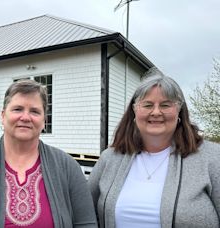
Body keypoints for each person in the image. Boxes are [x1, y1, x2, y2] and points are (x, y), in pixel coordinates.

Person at [0, 79, 97, 227]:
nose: (25, 117)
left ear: (44, 121)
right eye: (17, 109)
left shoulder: (67, 167)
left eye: (35, 111)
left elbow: (86, 224)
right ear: (3, 116)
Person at [88, 67, 220, 228]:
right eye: (148, 105)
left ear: (179, 111)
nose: (156, 112)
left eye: (165, 105)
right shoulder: (110, 158)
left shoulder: (212, 158)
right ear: (135, 111)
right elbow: (86, 213)